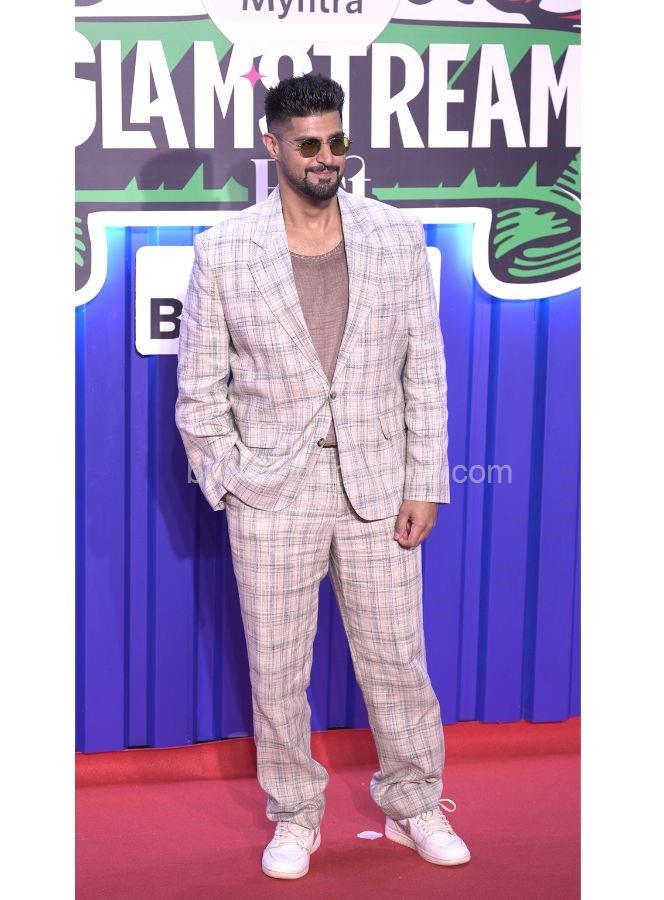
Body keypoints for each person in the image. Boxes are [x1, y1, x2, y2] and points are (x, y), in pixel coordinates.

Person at [174, 71, 469, 881]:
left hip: (379, 489)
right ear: (273, 146)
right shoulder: (223, 251)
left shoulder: (397, 237)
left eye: (337, 140)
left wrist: (425, 480)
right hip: (272, 494)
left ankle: (413, 805)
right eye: (308, 144)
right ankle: (295, 815)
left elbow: (425, 370)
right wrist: (229, 479)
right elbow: (199, 389)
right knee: (277, 672)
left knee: (398, 663)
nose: (326, 157)